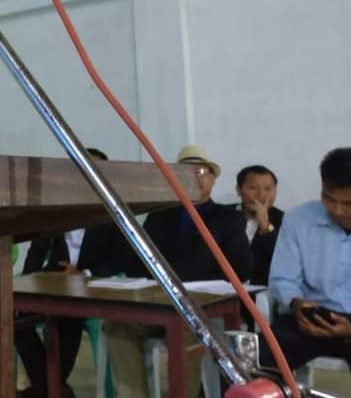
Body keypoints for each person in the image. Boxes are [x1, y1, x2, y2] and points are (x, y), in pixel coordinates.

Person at [104, 144, 252, 397]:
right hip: (158, 303)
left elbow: (241, 268)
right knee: (119, 325)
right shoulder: (159, 216)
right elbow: (137, 262)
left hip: (202, 307)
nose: (195, 178)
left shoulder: (227, 218)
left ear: (213, 179)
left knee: (186, 331)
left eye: (201, 172)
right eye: (186, 172)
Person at [14, 148, 132, 398]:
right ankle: (54, 389)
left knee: (67, 317)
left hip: (91, 285)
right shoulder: (57, 206)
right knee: (14, 316)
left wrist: (84, 273)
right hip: (53, 282)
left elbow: (123, 257)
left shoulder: (115, 213)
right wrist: (25, 287)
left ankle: (46, 390)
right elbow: (37, 249)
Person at [261, 147, 351, 396]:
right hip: (309, 316)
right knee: (255, 364)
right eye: (329, 198)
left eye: (349, 203)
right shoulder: (299, 219)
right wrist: (296, 303)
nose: (337, 210)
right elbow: (283, 278)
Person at [234, 165, 284, 286]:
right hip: (225, 288)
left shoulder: (285, 220)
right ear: (239, 190)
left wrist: (265, 225)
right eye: (253, 188)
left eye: (268, 189)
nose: (261, 194)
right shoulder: (222, 215)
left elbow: (283, 260)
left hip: (265, 290)